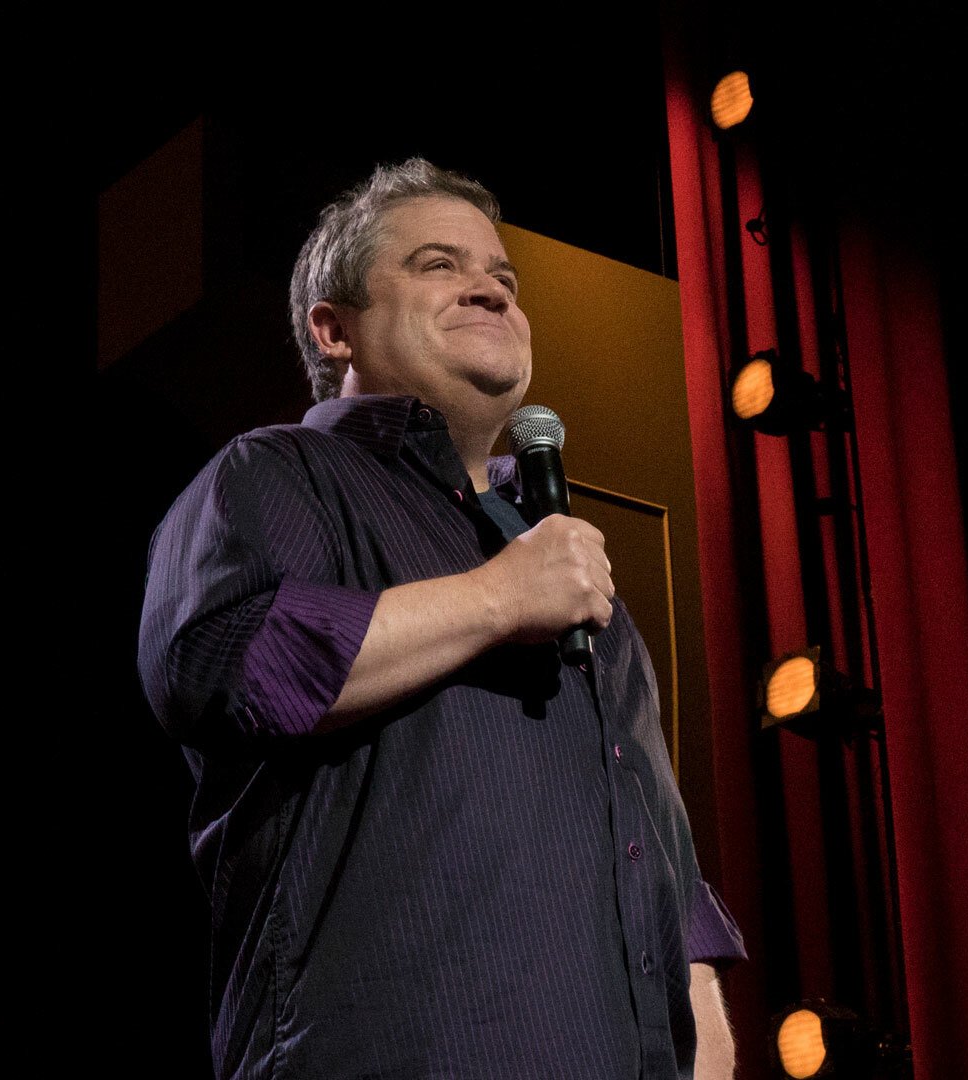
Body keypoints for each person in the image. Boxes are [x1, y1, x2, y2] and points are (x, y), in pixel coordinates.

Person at [138, 158, 743, 1079]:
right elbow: (225, 664)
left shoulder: (566, 563)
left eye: (504, 277)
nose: (490, 291)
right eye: (437, 265)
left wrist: (703, 1025)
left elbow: (653, 833)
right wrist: (500, 599)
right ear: (333, 329)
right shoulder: (280, 472)